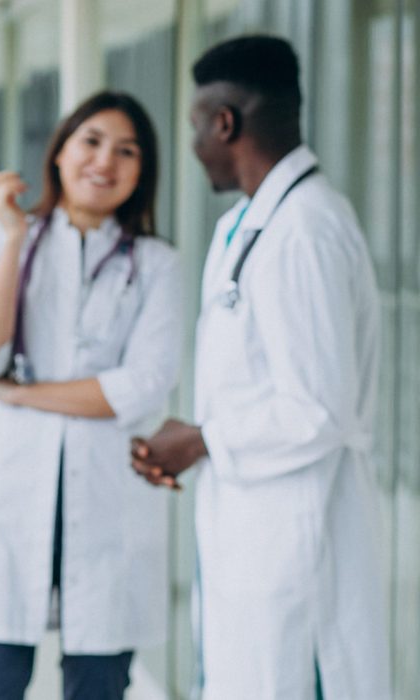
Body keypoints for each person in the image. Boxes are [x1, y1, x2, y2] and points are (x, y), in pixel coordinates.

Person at [130, 35, 390, 699]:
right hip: (256, 527)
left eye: (196, 126)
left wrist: (203, 439)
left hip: (301, 536)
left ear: (225, 122)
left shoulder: (305, 228)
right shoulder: (251, 223)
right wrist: (198, 435)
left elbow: (318, 407)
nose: (193, 146)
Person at [0, 92, 184, 699]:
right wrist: (16, 237)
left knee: (98, 687)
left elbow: (143, 385)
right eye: (92, 141)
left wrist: (23, 396)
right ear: (60, 153)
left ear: (142, 172)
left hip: (106, 508)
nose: (106, 161)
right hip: (7, 505)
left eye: (127, 151)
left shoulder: (156, 264)